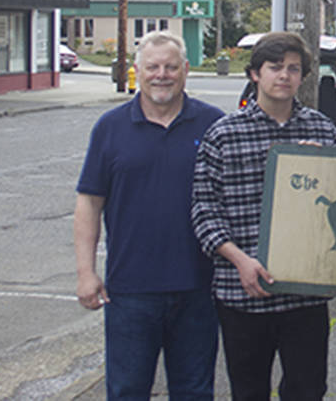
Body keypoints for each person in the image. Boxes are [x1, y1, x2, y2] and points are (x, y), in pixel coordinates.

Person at [74, 31, 224, 401]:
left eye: (171, 67)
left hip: (199, 288)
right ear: (136, 71)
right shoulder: (110, 128)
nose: (162, 75)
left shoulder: (214, 124)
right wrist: (85, 273)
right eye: (152, 67)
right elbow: (89, 202)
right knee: (127, 390)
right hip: (131, 291)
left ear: (186, 70)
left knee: (194, 391)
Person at [191, 31, 336, 400]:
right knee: (248, 390)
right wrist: (240, 260)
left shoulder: (322, 131)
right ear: (255, 74)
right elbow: (204, 210)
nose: (284, 75)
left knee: (308, 390)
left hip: (304, 294)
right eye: (275, 67)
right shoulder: (224, 134)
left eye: (293, 69)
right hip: (242, 292)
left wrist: (327, 167)